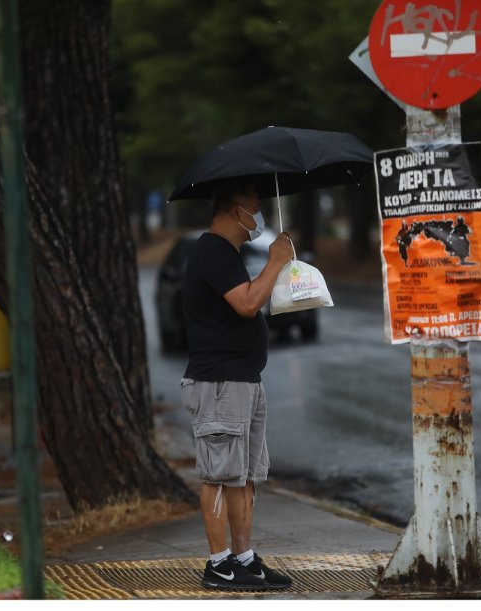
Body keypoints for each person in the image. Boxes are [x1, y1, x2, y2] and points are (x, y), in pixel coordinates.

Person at [180, 180, 295, 592]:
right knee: (217, 473)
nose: (258, 215)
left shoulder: (225, 253)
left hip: (242, 380)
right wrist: (276, 261)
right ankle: (218, 564)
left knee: (242, 475)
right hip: (219, 382)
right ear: (234, 211)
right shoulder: (212, 250)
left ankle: (243, 559)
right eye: (254, 207)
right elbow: (247, 303)